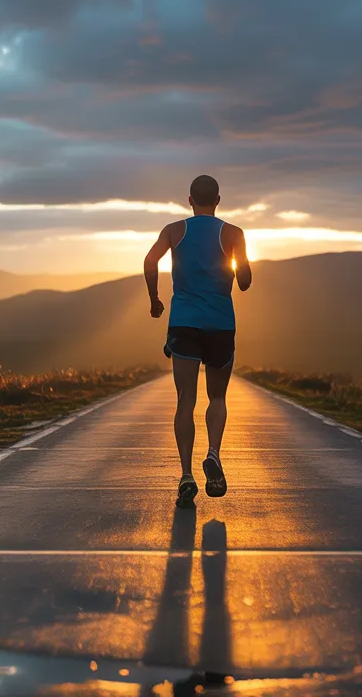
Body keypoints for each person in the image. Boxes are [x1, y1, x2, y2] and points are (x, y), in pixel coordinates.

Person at [143, 174, 253, 508]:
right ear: (218, 200)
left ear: (189, 200)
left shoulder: (174, 230)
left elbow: (150, 261)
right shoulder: (233, 233)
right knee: (216, 396)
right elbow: (245, 282)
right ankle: (214, 455)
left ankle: (186, 475)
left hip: (184, 324)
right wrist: (236, 265)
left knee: (185, 400)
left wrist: (155, 300)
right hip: (220, 324)